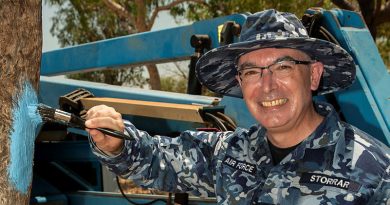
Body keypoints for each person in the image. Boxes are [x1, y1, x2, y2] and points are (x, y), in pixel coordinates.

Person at [85, 9, 390, 204]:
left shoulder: (376, 171)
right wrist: (116, 142)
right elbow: (157, 160)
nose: (267, 85)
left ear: (313, 74)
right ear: (241, 84)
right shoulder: (229, 154)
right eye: (251, 72)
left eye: (283, 67)